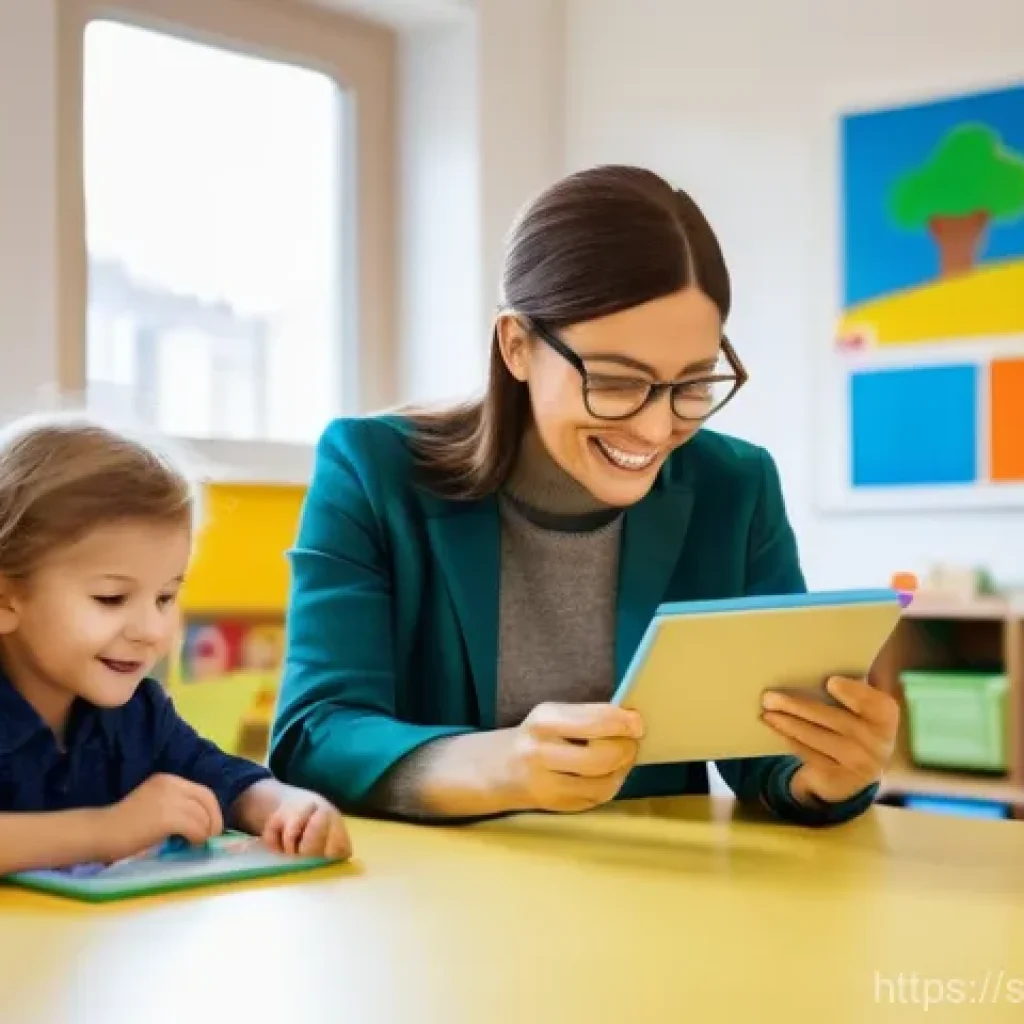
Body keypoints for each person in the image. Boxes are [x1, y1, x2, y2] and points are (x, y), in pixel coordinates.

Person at [269, 164, 899, 826]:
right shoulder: (372, 470)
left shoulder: (734, 486)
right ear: (517, 346)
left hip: (649, 894)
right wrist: (502, 767)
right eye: (617, 381)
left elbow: (763, 744)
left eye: (693, 382)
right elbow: (316, 735)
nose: (658, 429)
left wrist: (825, 773)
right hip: (435, 898)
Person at [0, 415, 351, 877]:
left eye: (165, 596)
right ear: (6, 600)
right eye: (111, 598)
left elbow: (224, 778)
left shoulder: (139, 715)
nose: (151, 629)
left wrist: (291, 807)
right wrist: (105, 831)